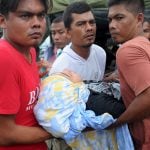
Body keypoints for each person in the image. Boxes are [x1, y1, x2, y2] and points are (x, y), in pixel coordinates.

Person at [0, 0, 53, 149]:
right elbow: (4, 135)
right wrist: (60, 130)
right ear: (2, 21)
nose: (37, 23)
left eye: (41, 15)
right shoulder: (3, 57)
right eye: (25, 16)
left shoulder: (29, 50)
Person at [34, 69, 133, 150]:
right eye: (67, 75)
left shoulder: (85, 96)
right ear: (70, 91)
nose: (68, 70)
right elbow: (128, 110)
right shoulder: (93, 103)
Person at [107, 0, 150, 149]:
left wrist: (117, 123)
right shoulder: (144, 44)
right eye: (110, 19)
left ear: (139, 19)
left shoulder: (127, 50)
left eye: (119, 18)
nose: (112, 25)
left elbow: (148, 97)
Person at [49, 1, 106, 82]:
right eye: (81, 24)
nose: (89, 28)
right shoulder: (60, 68)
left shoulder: (100, 53)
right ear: (68, 32)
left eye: (92, 22)